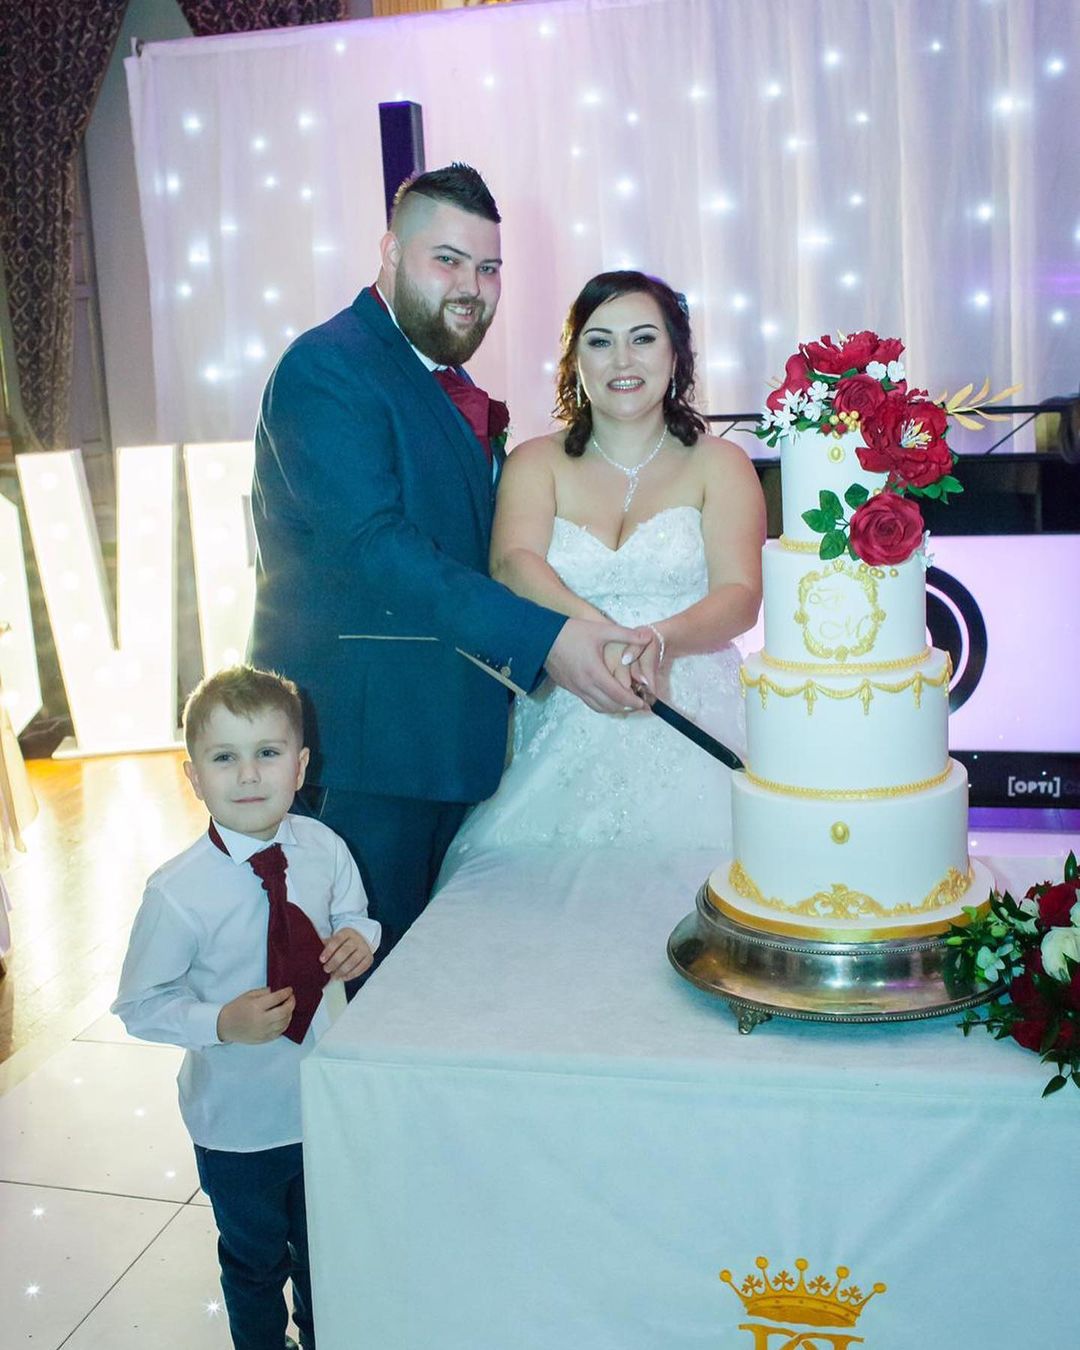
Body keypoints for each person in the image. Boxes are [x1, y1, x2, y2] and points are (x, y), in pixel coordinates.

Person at [249, 164, 652, 962]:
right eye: (448, 260)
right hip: (365, 750)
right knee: (353, 998)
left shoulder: (442, 378)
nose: (473, 286)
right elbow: (375, 549)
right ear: (390, 253)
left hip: (446, 744)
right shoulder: (327, 368)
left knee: (426, 991)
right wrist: (548, 639)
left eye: (490, 266)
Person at [439, 270, 765, 869]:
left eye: (643, 338)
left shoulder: (721, 463)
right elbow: (512, 563)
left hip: (693, 702)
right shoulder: (536, 462)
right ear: (574, 359)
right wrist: (594, 634)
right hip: (565, 691)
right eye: (599, 340)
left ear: (676, 353)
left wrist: (658, 640)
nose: (623, 359)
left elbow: (741, 595)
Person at [112, 666, 380, 1350]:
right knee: (256, 1262)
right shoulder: (177, 894)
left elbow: (354, 912)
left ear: (300, 765)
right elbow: (139, 1005)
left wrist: (361, 938)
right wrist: (218, 1023)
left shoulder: (324, 849)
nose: (249, 774)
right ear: (192, 774)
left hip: (323, 1102)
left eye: (267, 752)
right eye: (224, 757)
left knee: (329, 1253)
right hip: (238, 1125)